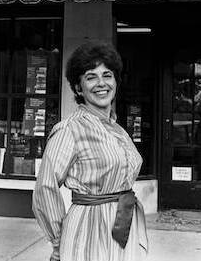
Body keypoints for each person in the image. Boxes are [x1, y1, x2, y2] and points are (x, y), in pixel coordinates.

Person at [32, 41, 148, 261]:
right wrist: (58, 241)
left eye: (107, 75)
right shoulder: (69, 130)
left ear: (116, 81)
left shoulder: (118, 130)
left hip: (125, 224)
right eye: (91, 77)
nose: (101, 83)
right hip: (90, 228)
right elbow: (45, 188)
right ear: (78, 87)